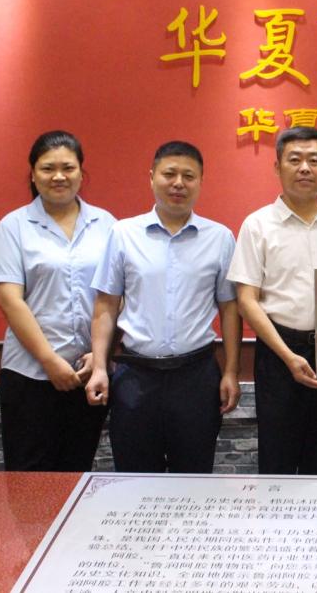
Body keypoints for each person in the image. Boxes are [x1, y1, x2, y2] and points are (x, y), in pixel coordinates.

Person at [86, 141, 241, 473]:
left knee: (194, 477)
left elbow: (230, 309)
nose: (178, 183)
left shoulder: (220, 238)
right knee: (135, 478)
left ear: (201, 182)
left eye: (189, 176)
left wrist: (230, 372)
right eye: (169, 174)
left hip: (197, 377)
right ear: (152, 177)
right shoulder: (123, 234)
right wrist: (99, 367)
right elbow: (106, 305)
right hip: (135, 376)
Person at [228, 127, 317, 475]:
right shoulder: (257, 225)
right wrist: (288, 356)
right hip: (278, 351)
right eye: (295, 160)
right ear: (277, 167)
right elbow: (246, 300)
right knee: (277, 459)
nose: (305, 168)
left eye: (314, 160)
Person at [0, 131, 115, 471]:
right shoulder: (12, 227)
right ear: (33, 174)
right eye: (47, 168)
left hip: (87, 374)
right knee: (29, 479)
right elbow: (10, 300)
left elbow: (117, 296)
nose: (59, 176)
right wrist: (50, 361)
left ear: (81, 173)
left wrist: (101, 355)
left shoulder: (106, 225)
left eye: (68, 168)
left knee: (77, 474)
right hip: (29, 375)